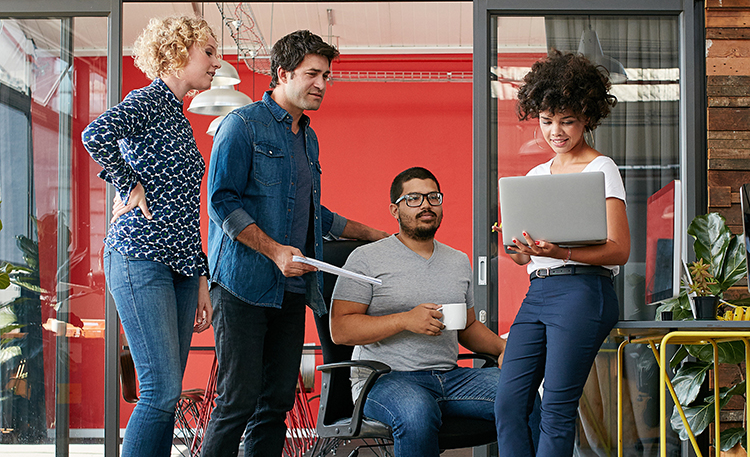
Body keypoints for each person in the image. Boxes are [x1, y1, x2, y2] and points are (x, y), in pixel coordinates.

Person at [201, 30, 389, 457]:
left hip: (290, 292)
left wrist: (378, 235)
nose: (322, 84)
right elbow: (221, 202)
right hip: (241, 288)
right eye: (312, 74)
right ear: (282, 73)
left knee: (277, 404)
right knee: (238, 401)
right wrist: (275, 251)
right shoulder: (241, 125)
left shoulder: (308, 137)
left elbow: (311, 212)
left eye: (326, 75)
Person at [330, 166, 540, 457]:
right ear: (395, 209)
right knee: (417, 411)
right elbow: (341, 329)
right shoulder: (366, 258)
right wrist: (405, 320)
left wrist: (505, 348)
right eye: (414, 198)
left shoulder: (457, 260)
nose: (426, 204)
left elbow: (466, 326)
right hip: (385, 380)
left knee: (523, 394)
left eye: (433, 197)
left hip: (450, 377)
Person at [81, 16, 217, 457]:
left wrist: (200, 277)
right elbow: (95, 133)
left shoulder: (178, 116)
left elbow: (184, 210)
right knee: (159, 389)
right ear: (178, 55)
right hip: (140, 256)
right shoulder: (149, 100)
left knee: (168, 394)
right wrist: (127, 183)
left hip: (179, 265)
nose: (218, 62)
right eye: (209, 52)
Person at [494, 50, 631, 457]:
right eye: (547, 120)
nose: (556, 131)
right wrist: (523, 251)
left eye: (567, 120)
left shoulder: (601, 168)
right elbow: (535, 259)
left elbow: (619, 249)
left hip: (584, 293)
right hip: (539, 292)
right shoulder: (536, 175)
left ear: (587, 117)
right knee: (508, 403)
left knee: (555, 408)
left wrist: (563, 252)